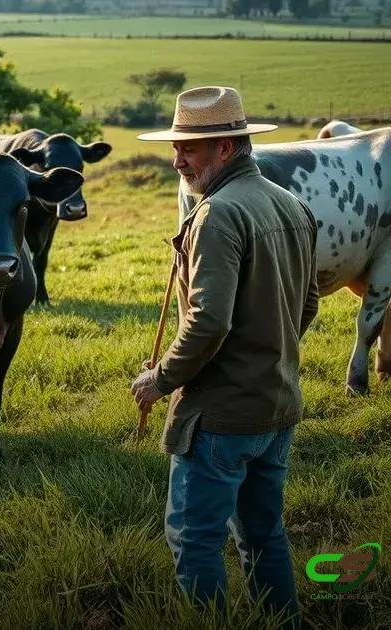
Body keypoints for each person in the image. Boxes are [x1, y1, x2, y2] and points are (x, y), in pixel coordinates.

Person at [131, 86, 319, 626]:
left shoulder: (218, 215)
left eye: (190, 149)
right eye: (177, 147)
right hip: (278, 404)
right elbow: (306, 305)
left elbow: (208, 321)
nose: (177, 160)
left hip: (220, 417)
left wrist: (160, 379)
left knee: (194, 542)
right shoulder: (293, 206)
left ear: (227, 148)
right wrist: (266, 354)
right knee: (265, 534)